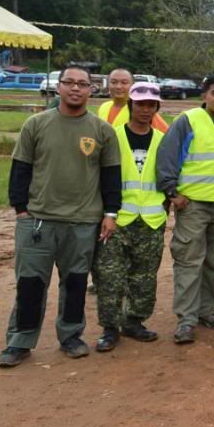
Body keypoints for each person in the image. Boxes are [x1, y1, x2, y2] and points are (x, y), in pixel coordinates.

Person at [0, 65, 121, 368]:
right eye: (70, 83)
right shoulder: (36, 124)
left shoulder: (102, 130)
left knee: (76, 284)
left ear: (93, 90)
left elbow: (111, 177)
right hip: (37, 221)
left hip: (82, 222)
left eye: (83, 84)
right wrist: (21, 210)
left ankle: (71, 336)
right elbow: (21, 170)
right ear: (58, 87)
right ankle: (20, 341)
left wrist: (110, 213)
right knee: (30, 284)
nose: (76, 89)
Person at [156, 75, 214, 345]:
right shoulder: (187, 121)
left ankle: (206, 310)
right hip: (193, 204)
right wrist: (172, 192)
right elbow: (167, 156)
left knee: (211, 261)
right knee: (189, 260)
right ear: (205, 95)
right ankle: (186, 319)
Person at [91, 82, 168, 352]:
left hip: (151, 220)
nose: (145, 110)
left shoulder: (163, 140)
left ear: (157, 108)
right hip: (117, 219)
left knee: (144, 277)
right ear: (131, 106)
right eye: (140, 104)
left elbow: (170, 176)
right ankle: (110, 327)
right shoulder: (112, 136)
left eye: (151, 105)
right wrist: (105, 213)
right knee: (109, 276)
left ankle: (134, 321)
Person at [97, 68, 169, 132]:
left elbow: (166, 134)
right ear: (108, 85)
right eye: (114, 82)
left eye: (124, 83)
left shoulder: (139, 109)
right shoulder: (104, 107)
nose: (118, 86)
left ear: (132, 85)